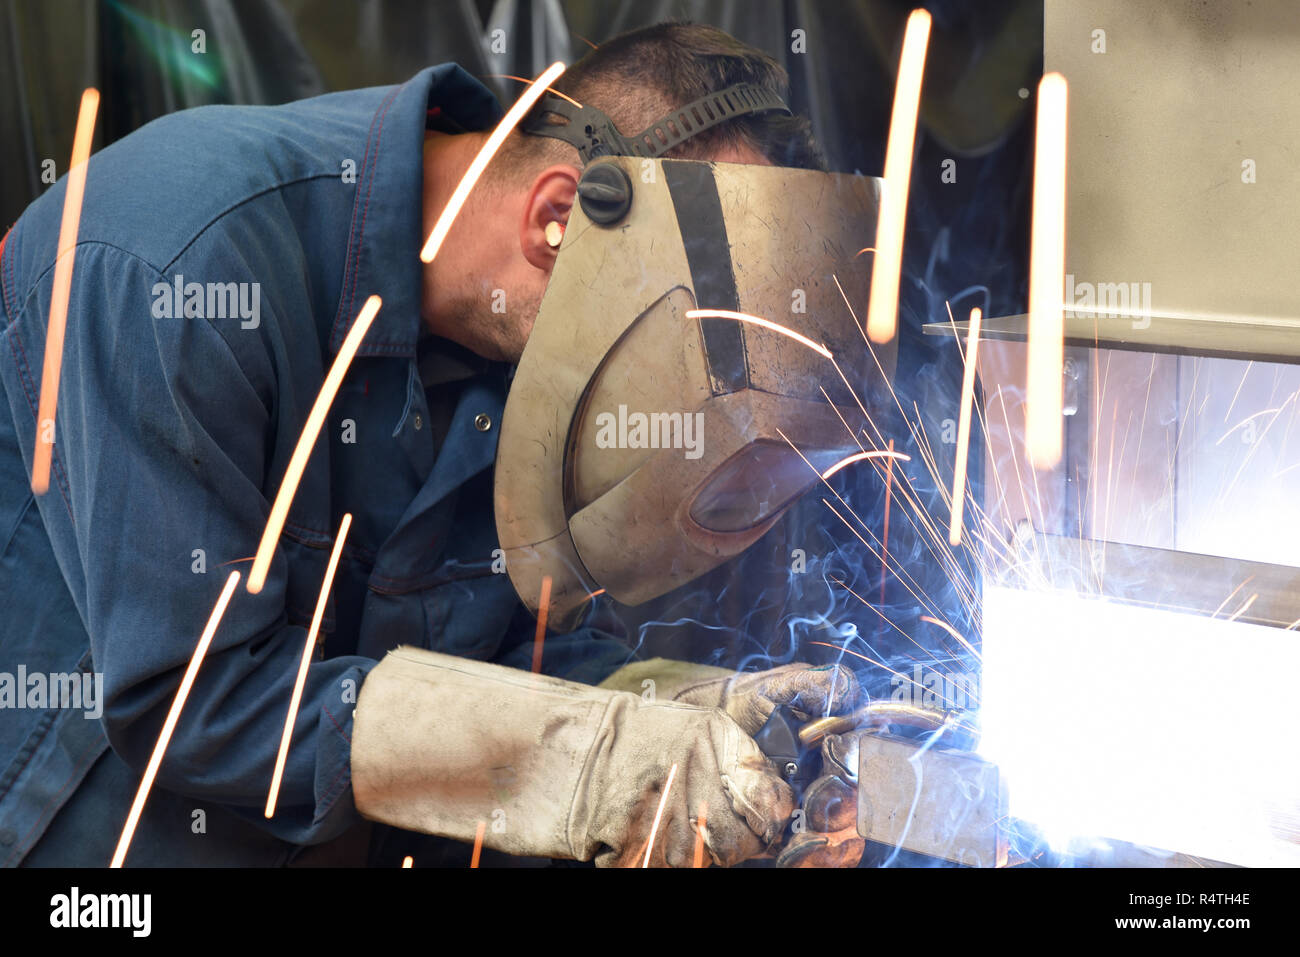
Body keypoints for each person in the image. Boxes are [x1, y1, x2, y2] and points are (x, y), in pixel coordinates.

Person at [0, 21, 857, 868]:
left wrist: (678, 710)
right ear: (559, 220)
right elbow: (194, 702)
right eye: (678, 345)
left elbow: (498, 660)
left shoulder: (522, 352)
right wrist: (586, 759)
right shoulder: (179, 259)